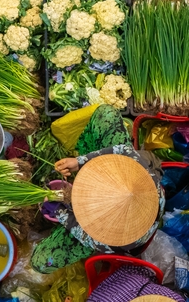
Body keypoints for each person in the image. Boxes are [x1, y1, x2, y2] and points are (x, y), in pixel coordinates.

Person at [31, 104, 166, 273]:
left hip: (103, 232)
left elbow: (81, 232)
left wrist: (59, 211)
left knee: (41, 261)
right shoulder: (140, 170)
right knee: (106, 113)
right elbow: (123, 150)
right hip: (129, 194)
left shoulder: (110, 239)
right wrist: (80, 161)